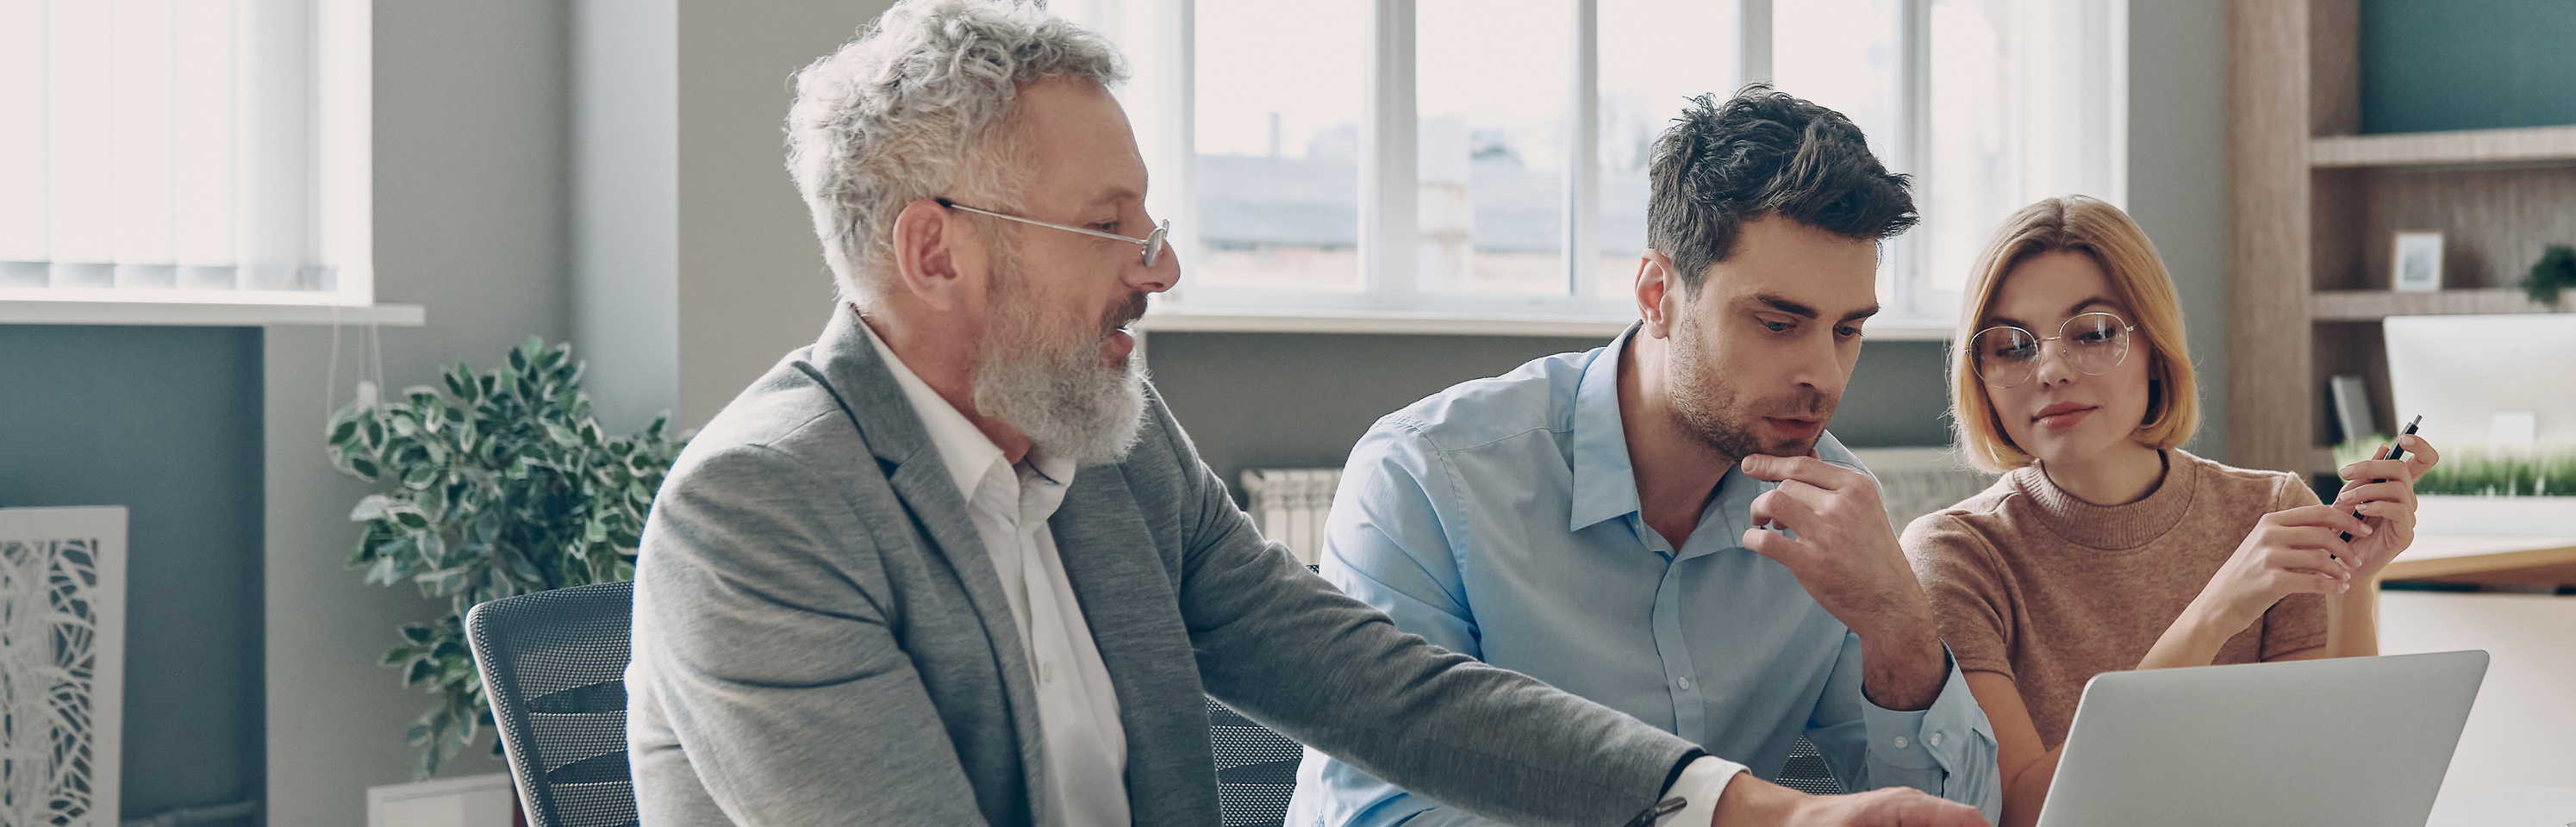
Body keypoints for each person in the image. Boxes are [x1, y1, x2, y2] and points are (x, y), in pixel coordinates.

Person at [621, 3, 1987, 825]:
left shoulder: (1111, 448)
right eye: (1108, 229)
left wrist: (1738, 809)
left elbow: (1374, 686)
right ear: (935, 252)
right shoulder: (760, 512)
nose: (1157, 270)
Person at [1287, 86, 1998, 827]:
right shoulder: (1427, 477)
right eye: (1778, 323)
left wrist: (1900, 627)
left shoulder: (1829, 509)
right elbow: (1386, 813)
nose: (1823, 374)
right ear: (1658, 293)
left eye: (1846, 329)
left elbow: (1959, 815)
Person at [1897, 196, 2438, 825]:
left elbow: (2339, 786)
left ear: (2154, 347)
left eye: (2092, 333)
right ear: (1981, 376)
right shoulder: (1954, 555)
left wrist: (2354, 581)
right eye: (2011, 347)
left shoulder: (2270, 508)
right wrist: (2216, 611)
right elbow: (2023, 811)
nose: (2050, 370)